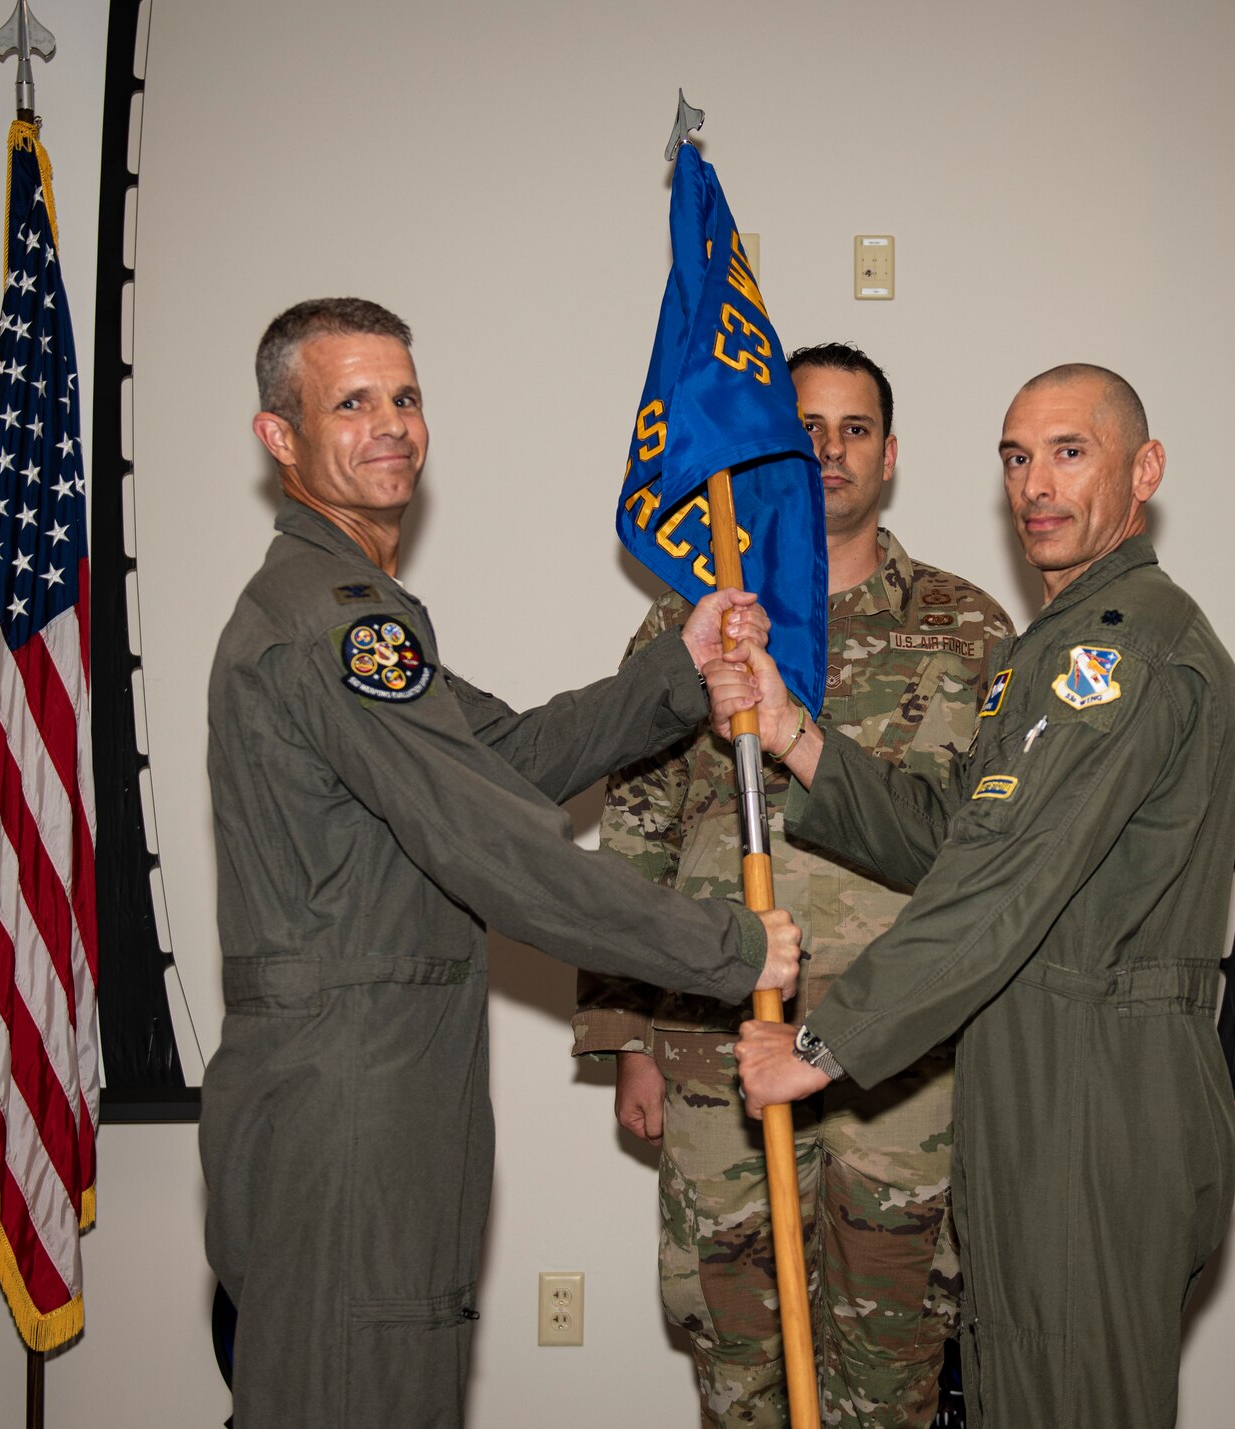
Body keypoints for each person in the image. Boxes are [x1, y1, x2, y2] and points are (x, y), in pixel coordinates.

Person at [199, 297, 802, 1429]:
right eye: (352, 402)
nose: (393, 426)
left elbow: (507, 755)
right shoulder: (331, 623)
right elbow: (491, 844)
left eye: (406, 397)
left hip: (385, 1074)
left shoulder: (360, 609)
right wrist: (721, 948)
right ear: (279, 437)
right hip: (352, 1094)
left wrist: (669, 674)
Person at [727, 365, 1235, 1428]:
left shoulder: (1115, 650)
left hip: (1095, 1085)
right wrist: (793, 734)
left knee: (1066, 1396)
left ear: (1142, 469)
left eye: (1069, 451)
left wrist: (821, 1049)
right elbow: (956, 833)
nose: (1034, 486)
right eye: (1016, 456)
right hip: (1041, 1071)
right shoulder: (1055, 644)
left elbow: (997, 885)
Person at [574, 344, 1013, 1427]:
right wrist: (625, 1034)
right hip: (716, 1041)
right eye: (802, 429)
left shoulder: (968, 630)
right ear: (769, 451)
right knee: (737, 1356)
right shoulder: (697, 622)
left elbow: (989, 855)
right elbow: (635, 825)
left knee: (892, 1351)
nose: (827, 451)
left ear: (890, 453)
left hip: (897, 1062)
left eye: (852, 428)